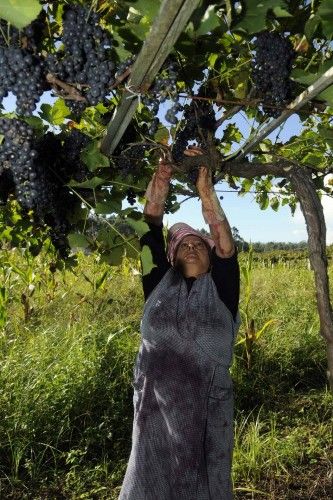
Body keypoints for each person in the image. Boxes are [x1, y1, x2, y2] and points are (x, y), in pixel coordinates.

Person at [119, 146, 240, 500]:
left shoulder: (222, 288)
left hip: (208, 415)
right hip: (155, 413)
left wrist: (206, 191)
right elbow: (151, 222)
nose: (191, 246)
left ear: (208, 253)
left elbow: (225, 246)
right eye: (183, 243)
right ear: (170, 257)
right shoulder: (158, 284)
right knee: (149, 483)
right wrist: (162, 177)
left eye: (198, 243)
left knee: (205, 484)